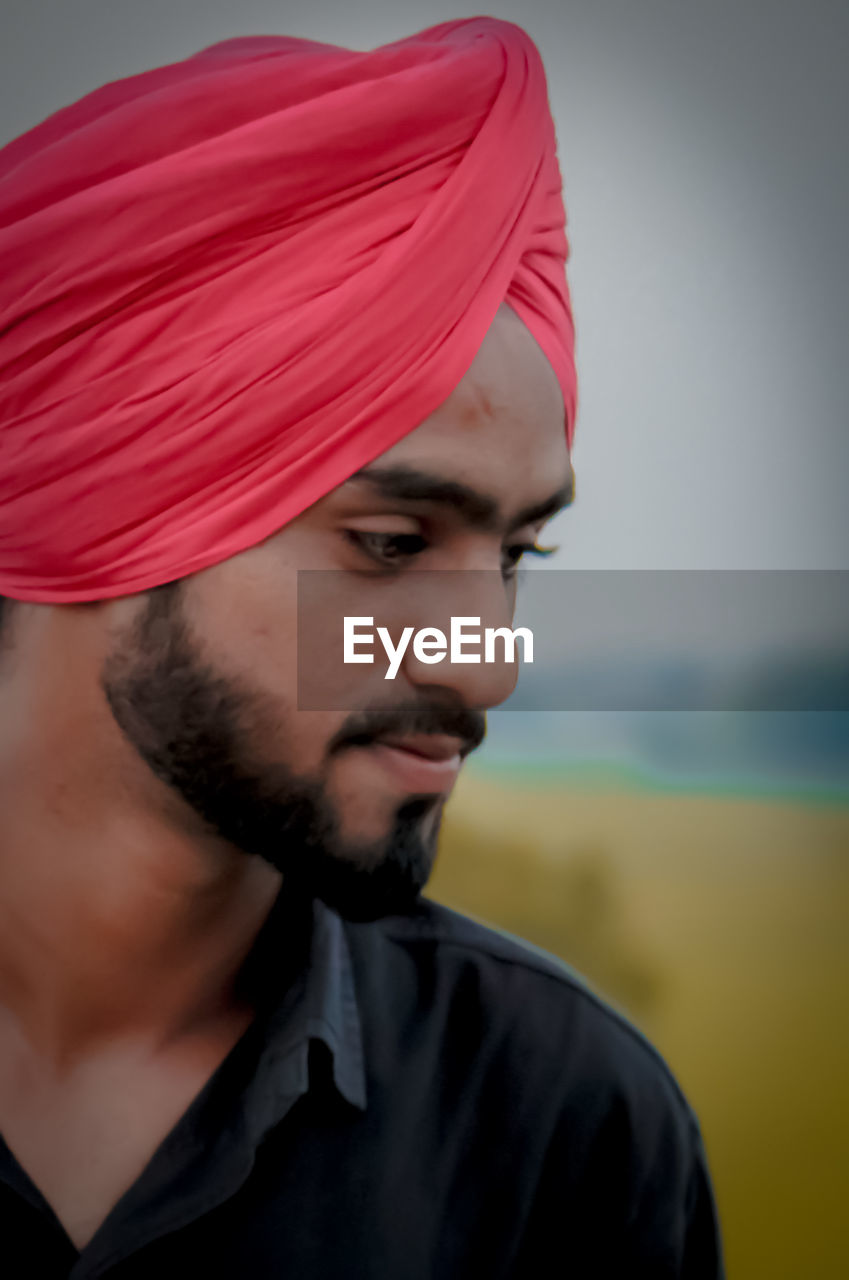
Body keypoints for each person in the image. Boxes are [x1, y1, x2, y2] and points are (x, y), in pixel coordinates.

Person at [0, 17, 725, 1278]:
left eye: (514, 557)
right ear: (100, 513)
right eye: (392, 544)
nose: (487, 662)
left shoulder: (567, 1129)